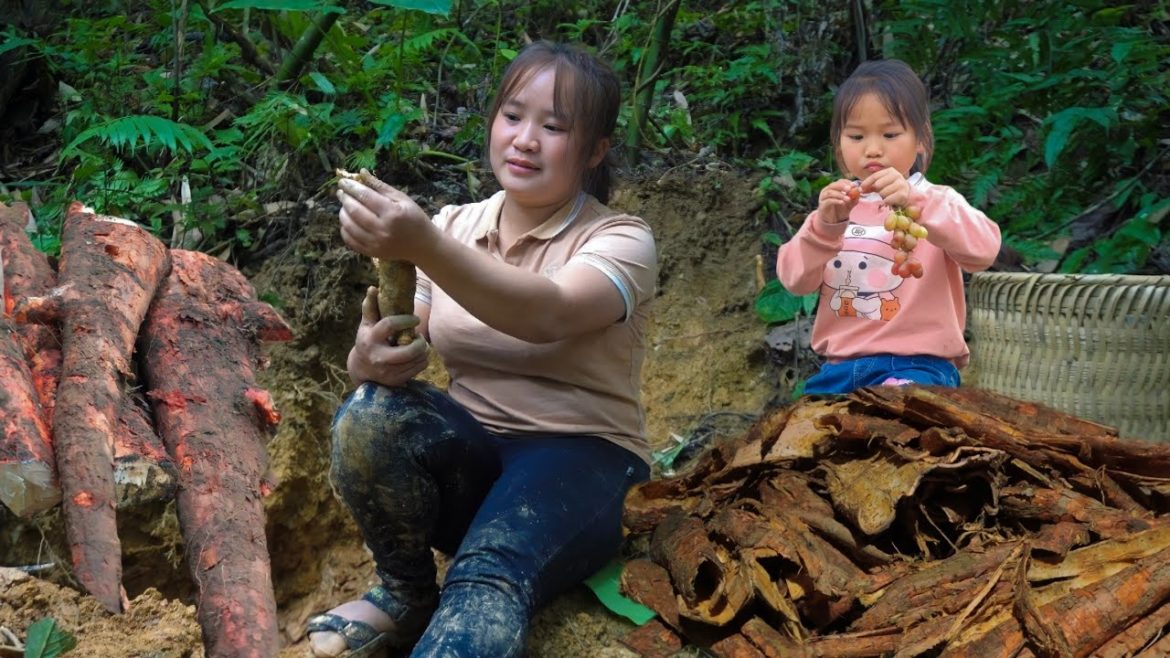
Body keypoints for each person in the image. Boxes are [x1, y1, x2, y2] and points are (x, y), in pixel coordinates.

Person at [307, 41, 657, 658]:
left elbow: (548, 312)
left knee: (489, 572)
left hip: (587, 461)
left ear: (595, 150)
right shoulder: (452, 226)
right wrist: (370, 357)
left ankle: (469, 592)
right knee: (368, 413)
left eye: (554, 126)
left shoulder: (622, 239)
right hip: (476, 457)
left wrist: (422, 244)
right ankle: (405, 592)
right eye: (513, 116)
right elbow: (399, 330)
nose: (525, 139)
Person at [776, 58, 1001, 395]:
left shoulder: (936, 201)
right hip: (840, 370)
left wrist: (915, 202)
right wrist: (824, 226)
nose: (873, 149)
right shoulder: (835, 210)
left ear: (921, 139)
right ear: (839, 146)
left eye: (891, 133)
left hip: (920, 368)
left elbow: (984, 251)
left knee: (902, 410)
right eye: (856, 136)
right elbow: (794, 280)